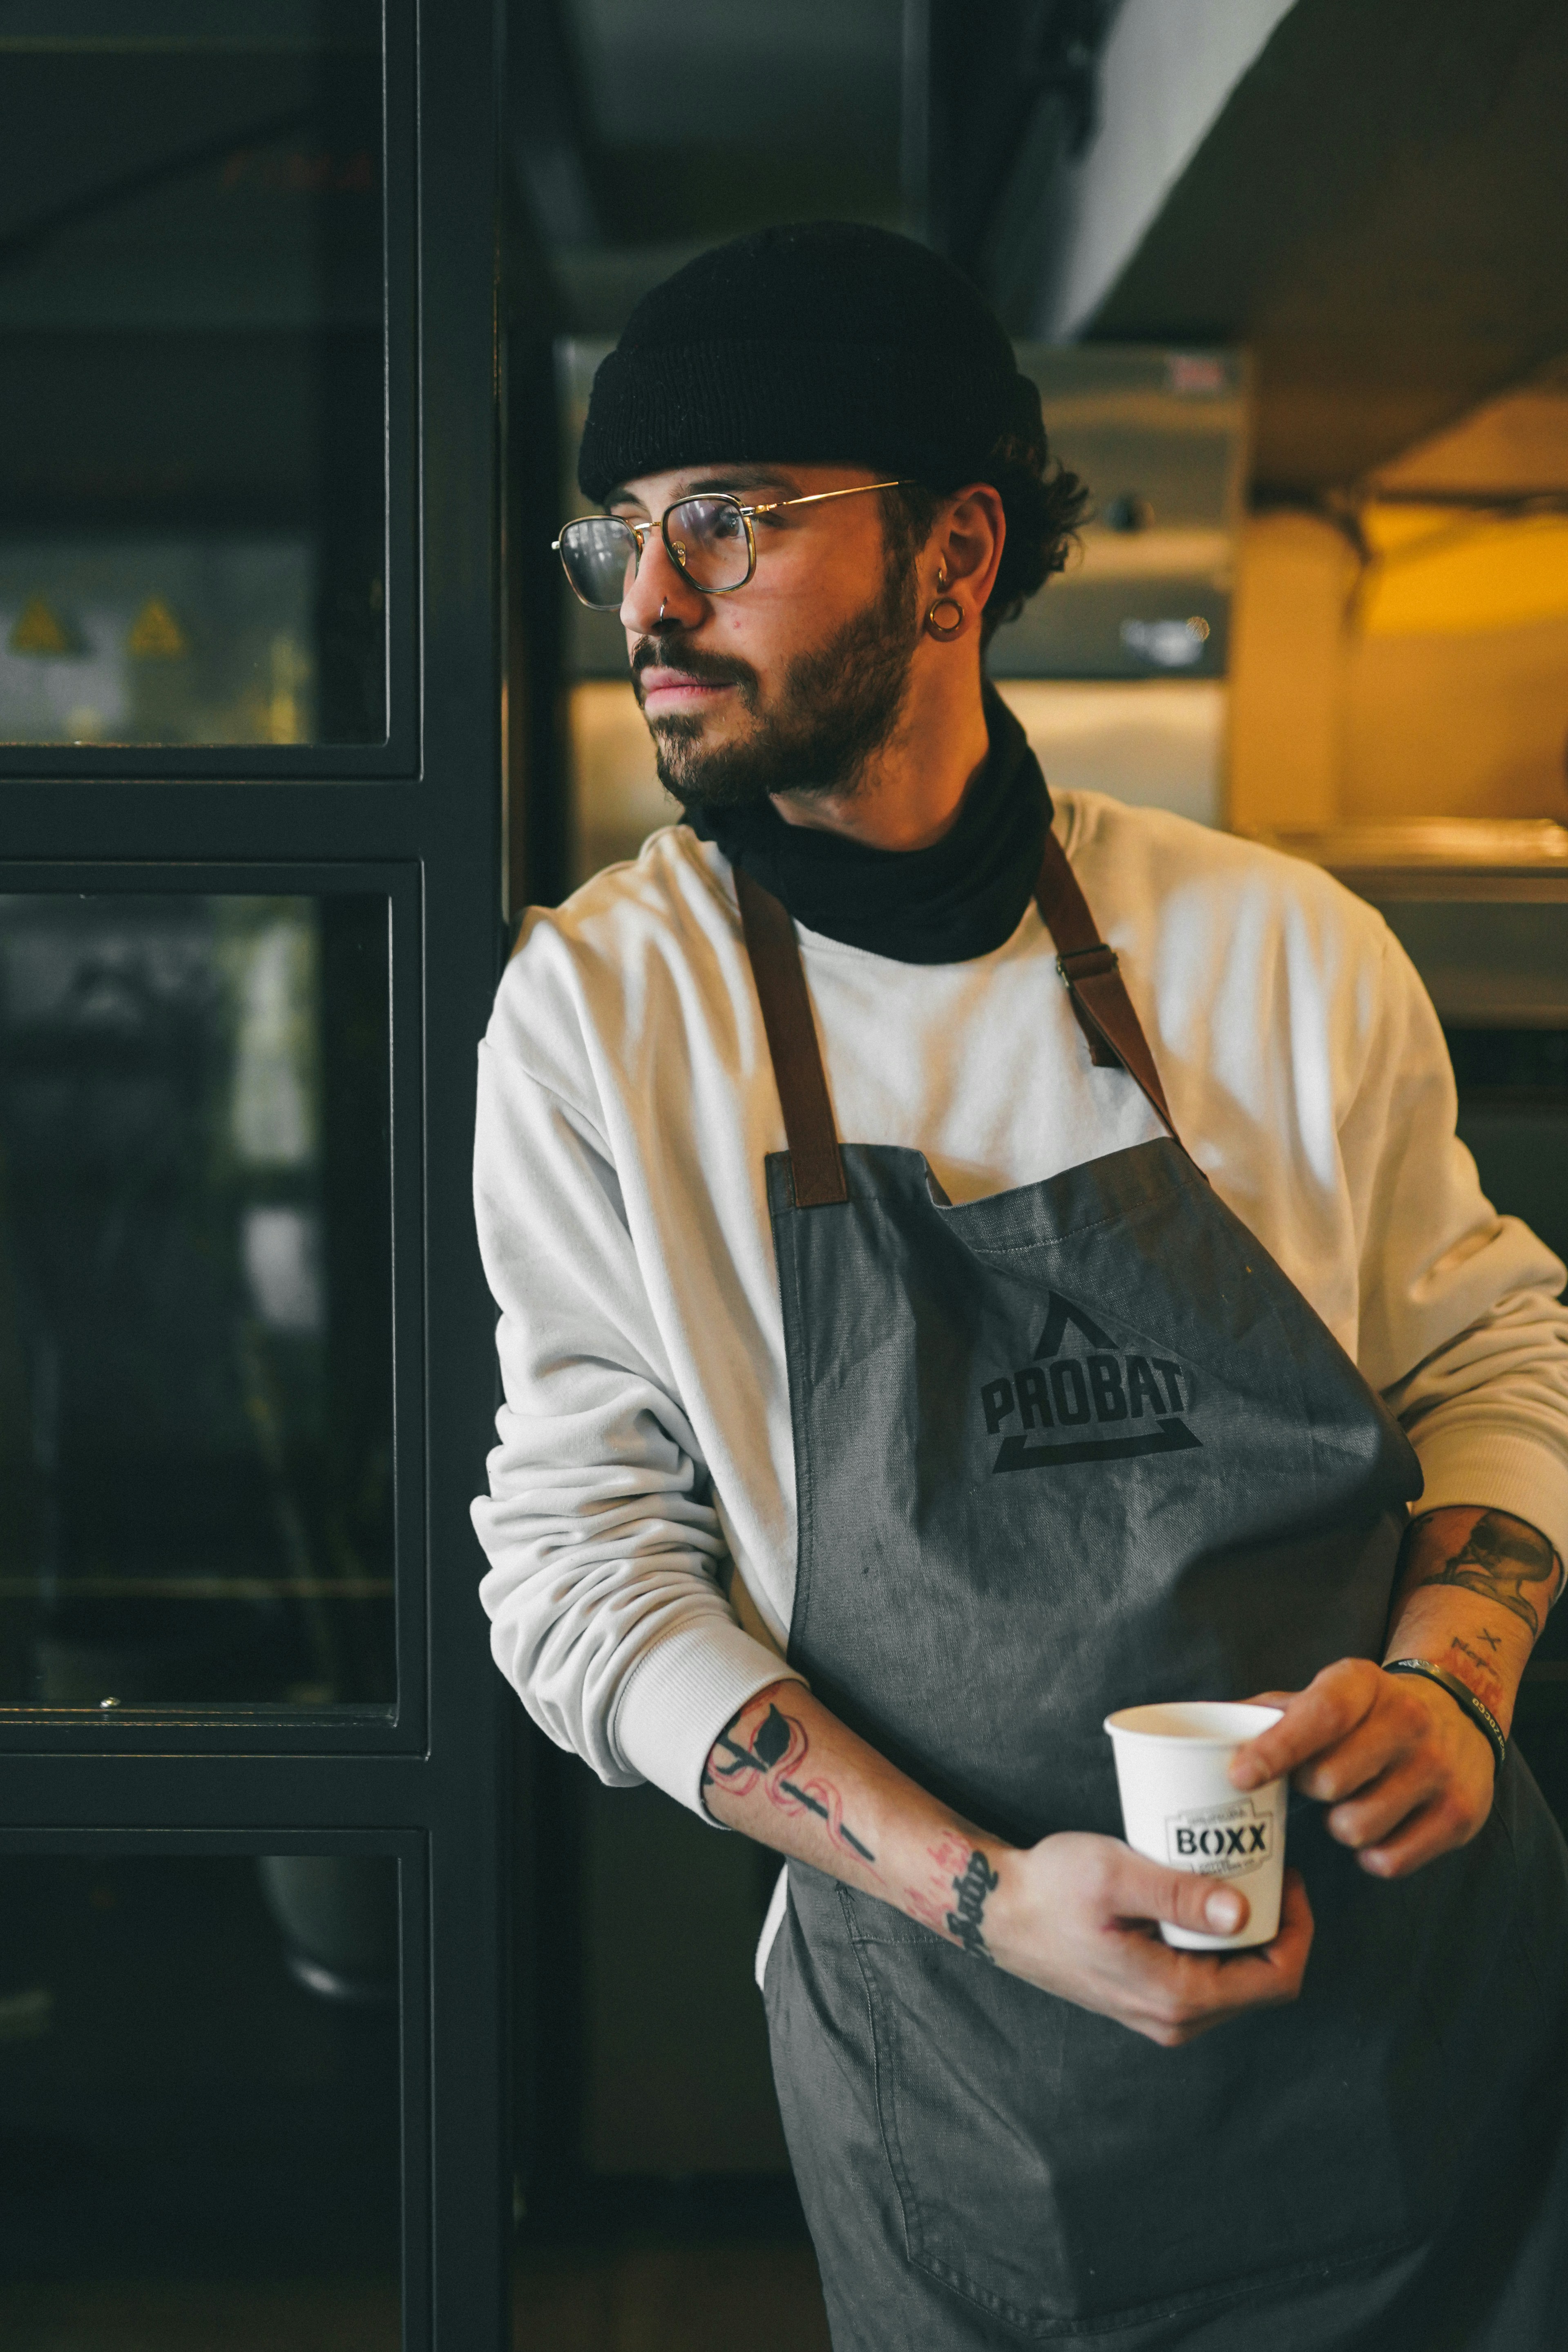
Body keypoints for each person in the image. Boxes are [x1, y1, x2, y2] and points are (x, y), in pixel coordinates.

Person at [472, 222, 1568, 2347]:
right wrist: (991, 1899)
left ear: (957, 557)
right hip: (975, 2093)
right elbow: (580, 1571)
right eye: (625, 535)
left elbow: (1493, 1339)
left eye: (733, 519)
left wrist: (1454, 1673)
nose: (654, 604)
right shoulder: (602, 1017)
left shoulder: (1277, 952)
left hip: (1428, 2050)